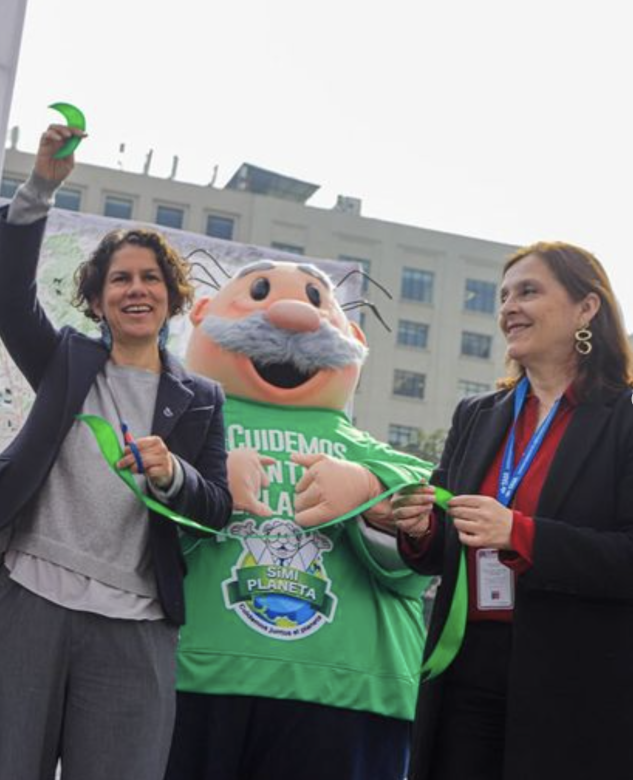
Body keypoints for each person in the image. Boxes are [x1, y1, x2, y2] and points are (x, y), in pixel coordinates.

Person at [0, 124, 232, 780]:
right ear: (98, 298)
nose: (136, 290)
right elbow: (8, 297)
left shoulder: (202, 398)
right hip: (32, 603)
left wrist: (174, 475)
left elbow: (217, 507)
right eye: (119, 280)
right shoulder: (65, 361)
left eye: (150, 278)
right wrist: (41, 184)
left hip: (136, 626)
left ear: (171, 296)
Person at [165, 260, 432, 780]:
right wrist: (198, 488)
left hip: (348, 690)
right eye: (259, 291)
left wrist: (375, 493)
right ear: (200, 316)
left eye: (314, 299)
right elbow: (124, 534)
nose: (292, 317)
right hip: (192, 676)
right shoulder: (172, 435)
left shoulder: (388, 461)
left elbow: (421, 562)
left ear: (352, 337)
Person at [391, 241, 633, 780]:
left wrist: (521, 535)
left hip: (575, 683)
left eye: (528, 291)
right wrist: (417, 528)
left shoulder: (623, 417)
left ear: (586, 308)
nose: (508, 308)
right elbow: (440, 552)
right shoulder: (476, 414)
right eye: (503, 296)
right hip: (466, 667)